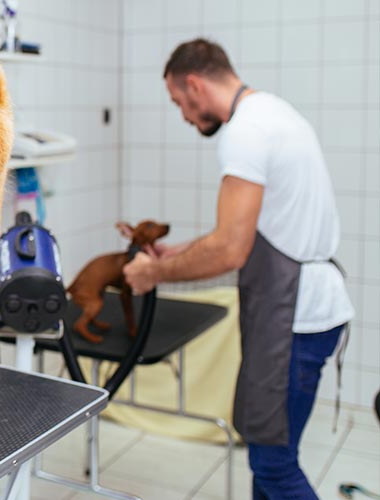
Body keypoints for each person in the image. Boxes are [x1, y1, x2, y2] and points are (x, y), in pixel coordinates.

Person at [123, 38, 354, 500]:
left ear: (194, 85)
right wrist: (178, 252)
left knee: (273, 462)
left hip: (296, 319)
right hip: (304, 309)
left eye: (178, 104)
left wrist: (153, 274)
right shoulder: (273, 113)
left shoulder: (244, 133)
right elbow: (255, 230)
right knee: (268, 457)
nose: (185, 116)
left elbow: (229, 248)